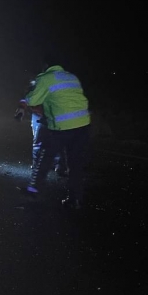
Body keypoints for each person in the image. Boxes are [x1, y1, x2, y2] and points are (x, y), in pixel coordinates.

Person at [23, 55, 91, 209]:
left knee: (45, 158)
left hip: (62, 127)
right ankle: (75, 199)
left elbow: (33, 100)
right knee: (75, 164)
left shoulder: (46, 78)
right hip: (83, 124)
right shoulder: (71, 77)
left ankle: (33, 191)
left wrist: (25, 99)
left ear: (46, 65)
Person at [15, 80, 68, 175]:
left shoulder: (47, 87)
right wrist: (21, 110)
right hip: (38, 115)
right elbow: (24, 100)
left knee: (56, 139)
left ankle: (59, 165)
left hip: (51, 114)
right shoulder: (32, 88)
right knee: (38, 140)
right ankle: (37, 164)